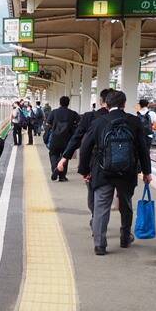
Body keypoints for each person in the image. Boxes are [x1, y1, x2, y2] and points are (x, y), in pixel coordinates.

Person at [79, 90, 152, 255]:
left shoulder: (98, 122)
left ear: (106, 104)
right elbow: (143, 149)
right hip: (127, 172)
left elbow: (85, 147)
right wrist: (147, 172)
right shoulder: (134, 121)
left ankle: (100, 245)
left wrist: (85, 171)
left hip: (103, 171)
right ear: (124, 104)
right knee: (126, 204)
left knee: (101, 207)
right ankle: (125, 238)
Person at [58, 88, 113, 221]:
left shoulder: (89, 117)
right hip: (121, 165)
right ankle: (125, 229)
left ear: (100, 101)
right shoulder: (126, 118)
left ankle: (96, 219)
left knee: (94, 192)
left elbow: (77, 139)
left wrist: (65, 157)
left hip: (96, 164)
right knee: (120, 197)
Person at [44, 96, 80, 181]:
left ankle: (55, 168)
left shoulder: (54, 112)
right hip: (67, 139)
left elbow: (48, 123)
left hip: (55, 138)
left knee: (53, 154)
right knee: (65, 156)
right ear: (68, 103)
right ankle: (62, 176)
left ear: (59, 103)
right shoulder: (72, 113)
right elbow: (80, 122)